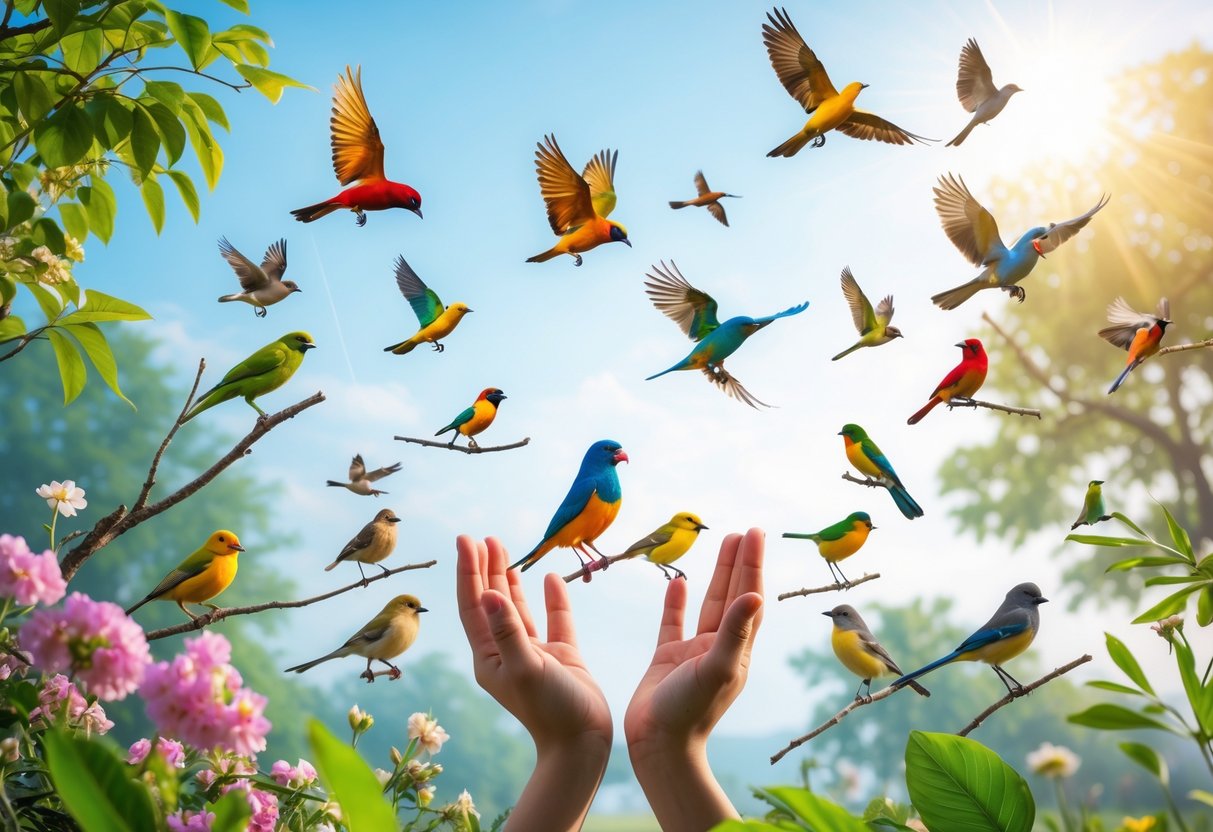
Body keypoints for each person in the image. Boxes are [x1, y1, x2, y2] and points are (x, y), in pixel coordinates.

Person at [455, 528, 765, 831]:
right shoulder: (669, 533)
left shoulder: (679, 533)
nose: (696, 528)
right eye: (691, 522)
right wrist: (666, 747)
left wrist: (572, 746)